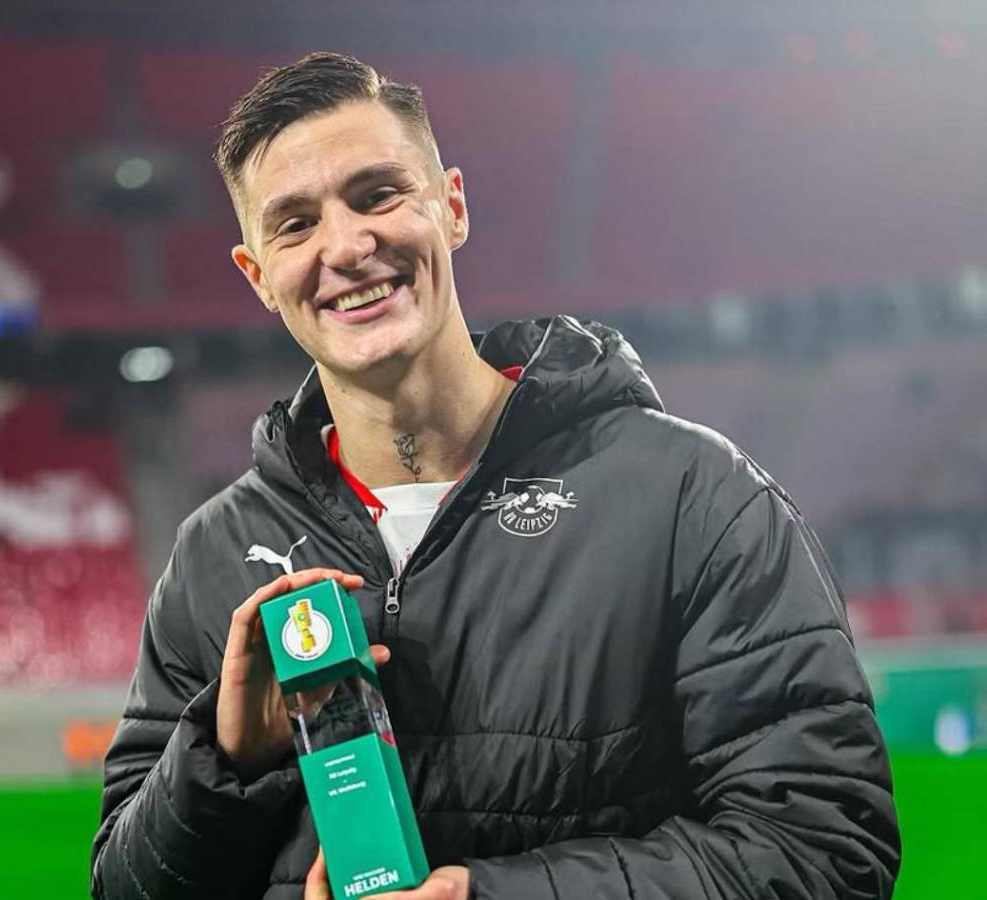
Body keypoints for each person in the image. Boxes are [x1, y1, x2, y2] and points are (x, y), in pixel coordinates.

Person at [90, 51, 900, 900]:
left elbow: (823, 852)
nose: (348, 246)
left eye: (378, 195)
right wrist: (223, 763)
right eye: (295, 225)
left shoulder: (693, 499)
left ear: (452, 207)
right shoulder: (214, 557)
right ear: (258, 276)